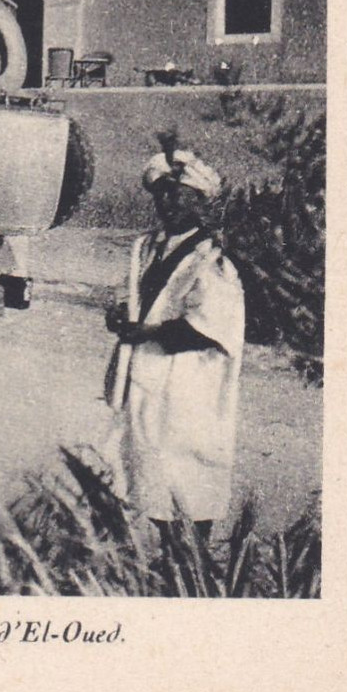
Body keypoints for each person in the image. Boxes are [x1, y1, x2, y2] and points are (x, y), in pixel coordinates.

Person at [104, 135, 245, 568]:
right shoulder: (149, 248)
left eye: (178, 196)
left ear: (199, 202)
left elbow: (209, 327)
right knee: (148, 465)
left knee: (189, 468)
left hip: (189, 382)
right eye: (162, 195)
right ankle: (170, 559)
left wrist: (146, 330)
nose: (168, 204)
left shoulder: (212, 259)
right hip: (149, 374)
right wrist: (123, 318)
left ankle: (192, 564)